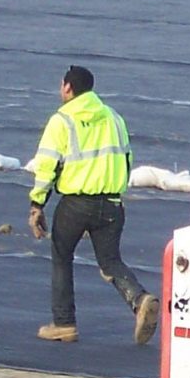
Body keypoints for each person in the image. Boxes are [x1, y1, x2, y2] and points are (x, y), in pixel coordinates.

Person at [29, 65, 159, 346]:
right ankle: (140, 299)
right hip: (111, 203)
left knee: (62, 256)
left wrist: (37, 203)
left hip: (76, 203)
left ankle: (64, 324)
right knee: (110, 261)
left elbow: (47, 165)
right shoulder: (114, 117)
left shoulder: (62, 120)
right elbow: (127, 158)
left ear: (67, 88)